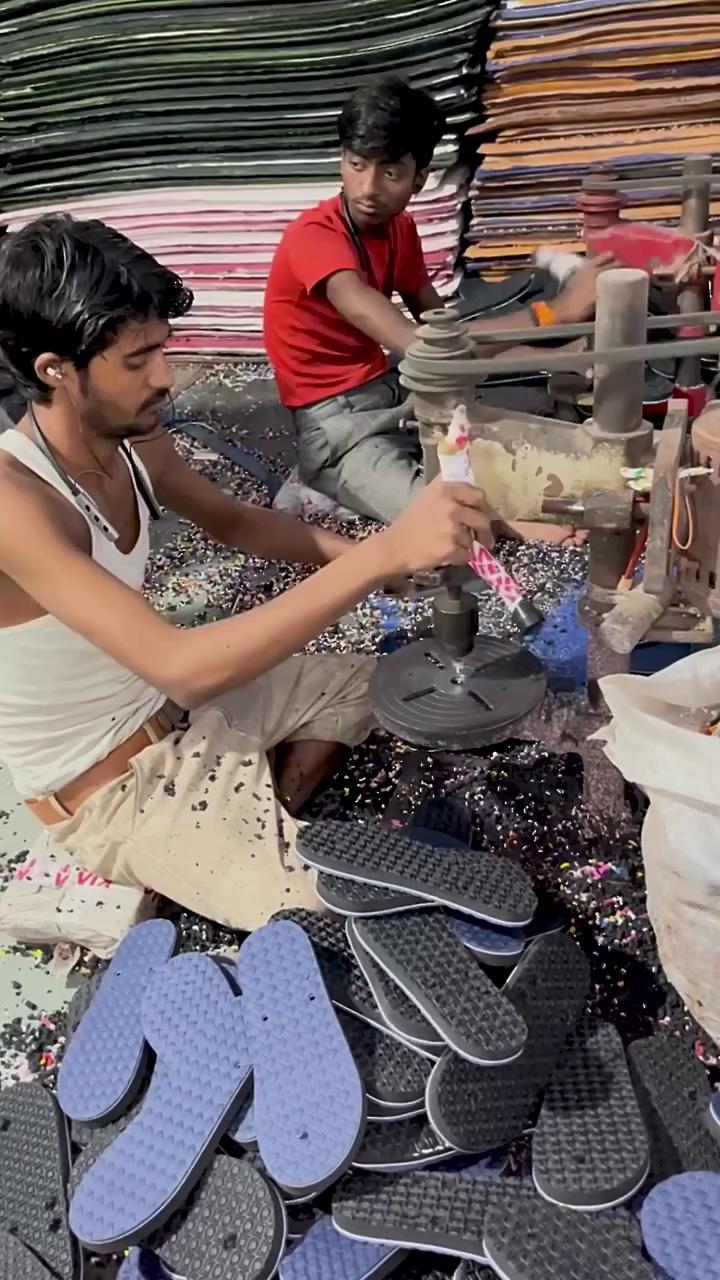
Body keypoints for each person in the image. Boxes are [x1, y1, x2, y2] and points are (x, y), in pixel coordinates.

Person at [0, 214, 493, 930]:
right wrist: (385, 555)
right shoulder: (16, 504)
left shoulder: (131, 439)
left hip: (183, 716)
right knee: (326, 920)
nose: (166, 378)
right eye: (138, 361)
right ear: (55, 371)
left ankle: (262, 813)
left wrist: (376, 560)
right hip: (112, 787)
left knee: (379, 686)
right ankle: (199, 859)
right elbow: (183, 665)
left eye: (162, 350)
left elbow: (235, 522)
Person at [264, 76, 611, 528]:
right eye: (356, 164)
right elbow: (422, 346)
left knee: (519, 415)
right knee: (443, 524)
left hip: (392, 389)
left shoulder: (399, 229)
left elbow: (447, 329)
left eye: (390, 173)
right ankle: (331, 480)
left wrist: (557, 354)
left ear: (419, 179)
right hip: (335, 429)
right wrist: (554, 313)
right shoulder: (314, 238)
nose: (368, 188)